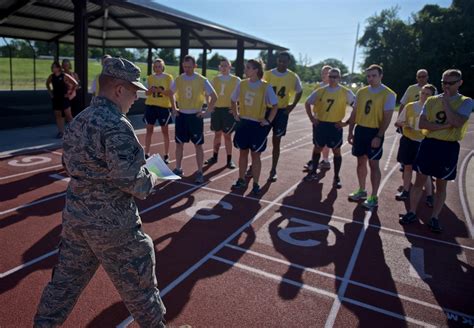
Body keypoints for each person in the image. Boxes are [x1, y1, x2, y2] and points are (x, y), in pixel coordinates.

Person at [34, 58, 166, 327]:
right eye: (134, 91)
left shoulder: (79, 121)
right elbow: (134, 183)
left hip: (76, 219)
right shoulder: (117, 124)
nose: (137, 97)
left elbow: (68, 165)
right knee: (140, 288)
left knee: (63, 286)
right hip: (112, 224)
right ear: (119, 89)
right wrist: (156, 173)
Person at [399, 69, 472, 232]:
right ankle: (411, 212)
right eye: (443, 82)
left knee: (441, 185)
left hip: (448, 147)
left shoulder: (466, 102)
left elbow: (457, 122)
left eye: (450, 83)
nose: (446, 86)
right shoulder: (431, 100)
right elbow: (423, 124)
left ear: (460, 83)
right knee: (419, 181)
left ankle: (434, 217)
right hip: (429, 144)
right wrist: (446, 126)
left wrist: (446, 103)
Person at [347, 64, 396, 209]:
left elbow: (387, 118)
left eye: (374, 75)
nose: (371, 78)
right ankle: (362, 190)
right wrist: (350, 131)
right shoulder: (361, 92)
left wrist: (379, 136)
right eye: (368, 76)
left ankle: (374, 197)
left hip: (374, 132)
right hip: (360, 130)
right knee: (360, 161)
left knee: (373, 165)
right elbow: (354, 112)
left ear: (381, 76)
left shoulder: (389, 94)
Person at [231, 59, 278, 195]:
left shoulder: (265, 86)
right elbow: (233, 100)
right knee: (243, 152)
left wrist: (268, 121)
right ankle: (241, 179)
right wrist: (236, 114)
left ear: (256, 70)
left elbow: (275, 105)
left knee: (256, 155)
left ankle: (256, 183)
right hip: (244, 123)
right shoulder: (242, 84)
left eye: (248, 68)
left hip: (257, 125)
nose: (245, 70)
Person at [304, 68, 355, 188]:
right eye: (330, 76)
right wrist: (312, 118)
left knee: (336, 151)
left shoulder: (345, 92)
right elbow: (307, 103)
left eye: (335, 77)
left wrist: (346, 123)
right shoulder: (321, 91)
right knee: (317, 148)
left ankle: (336, 177)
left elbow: (356, 107)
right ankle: (313, 172)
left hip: (335, 126)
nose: (332, 79)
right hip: (321, 125)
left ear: (339, 78)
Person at [171, 55, 217, 184]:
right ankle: (178, 168)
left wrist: (207, 112)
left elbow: (214, 96)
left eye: (189, 67)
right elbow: (171, 93)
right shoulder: (179, 79)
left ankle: (200, 171)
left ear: (195, 66)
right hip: (182, 116)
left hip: (195, 117)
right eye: (185, 67)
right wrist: (174, 108)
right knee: (179, 144)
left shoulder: (202, 80)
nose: (187, 69)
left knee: (198, 145)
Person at [262, 51, 302, 182]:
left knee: (276, 142)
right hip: (267, 110)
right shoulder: (267, 74)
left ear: (288, 62)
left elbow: (299, 91)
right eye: (280, 60)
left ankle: (273, 169)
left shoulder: (292, 76)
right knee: (259, 139)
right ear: (277, 60)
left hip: (281, 112)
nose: (281, 63)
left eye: (284, 61)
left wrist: (292, 105)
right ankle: (253, 166)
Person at [394, 84, 437, 202]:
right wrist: (405, 125)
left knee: (424, 172)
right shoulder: (410, 106)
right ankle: (406, 191)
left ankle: (429, 196)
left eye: (427, 94)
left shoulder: (434, 110)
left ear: (433, 96)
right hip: (408, 141)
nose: (424, 96)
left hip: (424, 142)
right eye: (423, 93)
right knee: (407, 167)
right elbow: (398, 123)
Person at [205, 57, 241, 169]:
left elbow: (242, 95)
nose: (223, 68)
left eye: (226, 65)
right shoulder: (215, 79)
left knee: (227, 136)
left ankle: (229, 160)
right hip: (217, 110)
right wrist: (210, 105)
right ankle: (214, 157)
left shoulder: (236, 80)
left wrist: (237, 108)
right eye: (221, 66)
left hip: (228, 111)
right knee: (217, 134)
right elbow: (207, 93)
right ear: (219, 67)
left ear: (230, 67)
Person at [143, 58, 174, 163]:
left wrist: (161, 91)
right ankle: (146, 153)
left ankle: (166, 155)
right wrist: (150, 91)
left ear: (163, 67)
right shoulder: (150, 78)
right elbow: (146, 93)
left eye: (159, 66)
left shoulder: (168, 77)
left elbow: (170, 93)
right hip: (151, 106)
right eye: (155, 66)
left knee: (165, 132)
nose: (157, 68)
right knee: (149, 131)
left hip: (163, 107)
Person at [305, 64, 332, 171]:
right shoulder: (318, 87)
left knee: (326, 142)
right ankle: (319, 160)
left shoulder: (336, 88)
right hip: (318, 118)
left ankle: (324, 160)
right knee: (317, 141)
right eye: (323, 73)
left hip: (330, 119)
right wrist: (312, 117)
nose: (324, 75)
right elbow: (310, 102)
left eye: (327, 73)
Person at [46, 61, 78, 138]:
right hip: (56, 98)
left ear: (58, 68)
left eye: (54, 67)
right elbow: (47, 84)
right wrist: (50, 93)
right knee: (58, 116)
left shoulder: (64, 75)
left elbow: (75, 84)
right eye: (52, 67)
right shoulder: (51, 76)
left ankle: (75, 131)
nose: (53, 68)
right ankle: (61, 132)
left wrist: (70, 93)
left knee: (68, 116)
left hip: (64, 98)